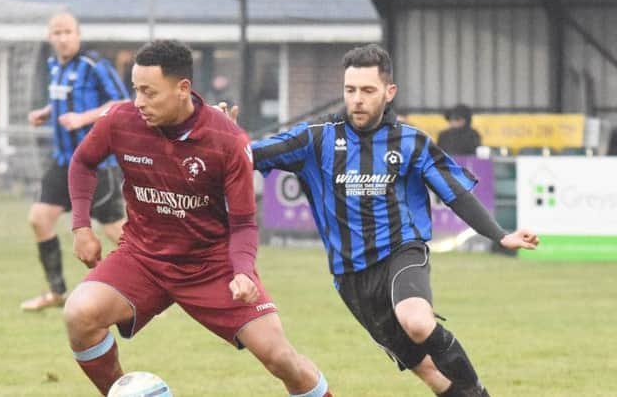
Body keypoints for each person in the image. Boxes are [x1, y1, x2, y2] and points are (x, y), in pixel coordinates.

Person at [228, 44, 539, 396]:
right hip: (350, 277)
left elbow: (456, 194)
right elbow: (246, 156)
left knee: (417, 322)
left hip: (401, 253)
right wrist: (230, 137)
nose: (357, 99)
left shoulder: (411, 142)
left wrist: (500, 235)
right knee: (429, 371)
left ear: (389, 92)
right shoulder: (316, 139)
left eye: (367, 90)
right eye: (350, 90)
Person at [64, 40, 332, 397]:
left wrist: (242, 271)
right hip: (144, 258)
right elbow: (82, 162)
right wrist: (81, 226)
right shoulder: (120, 121)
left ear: (183, 88)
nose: (139, 102)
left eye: (149, 92)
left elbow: (243, 223)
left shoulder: (227, 139)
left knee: (281, 359)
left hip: (212, 265)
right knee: (79, 314)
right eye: (135, 90)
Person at [22, 12, 129, 311]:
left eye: (68, 31)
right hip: (62, 162)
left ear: (78, 35)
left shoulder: (95, 66)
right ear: (49, 37)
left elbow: (122, 103)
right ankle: (57, 293)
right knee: (39, 219)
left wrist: (84, 118)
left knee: (115, 230)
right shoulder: (54, 65)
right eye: (57, 32)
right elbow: (65, 99)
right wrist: (46, 112)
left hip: (94, 163)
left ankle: (152, 286)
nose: (63, 37)